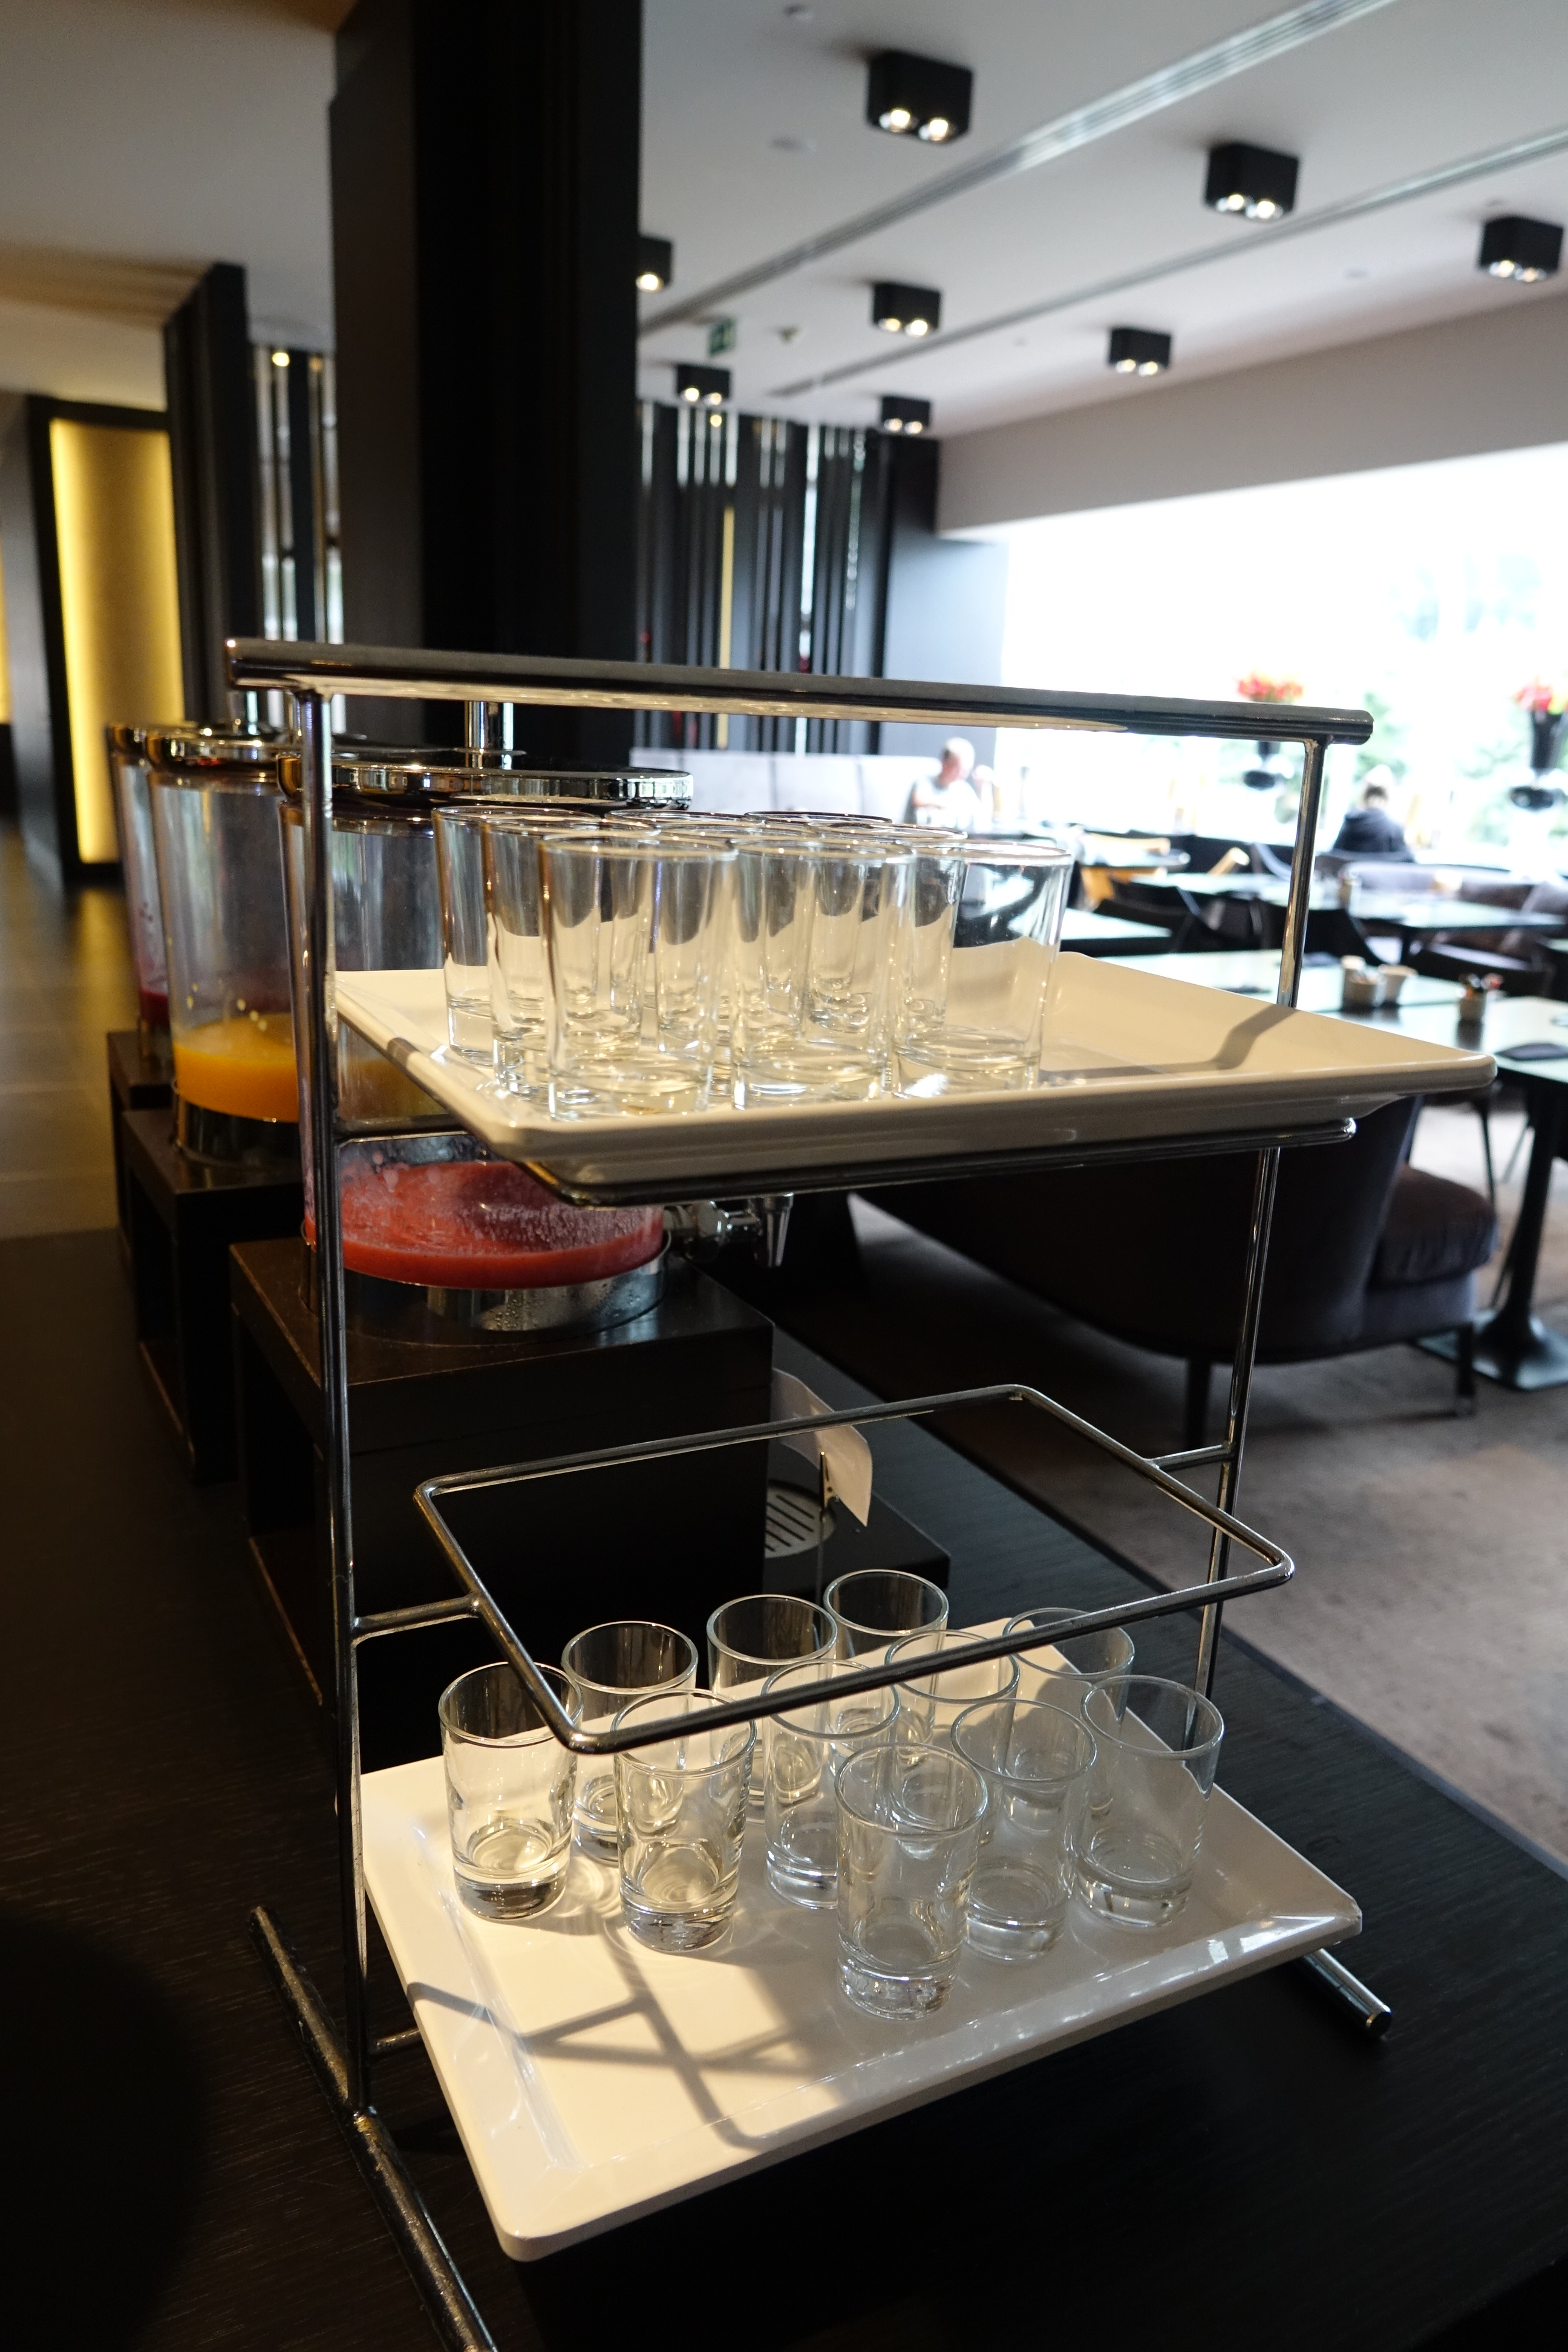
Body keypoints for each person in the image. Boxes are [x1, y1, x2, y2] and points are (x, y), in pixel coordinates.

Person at [906, 737, 982, 831]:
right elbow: (919, 800)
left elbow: (978, 810)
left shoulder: (964, 788)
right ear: (944, 762)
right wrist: (953, 804)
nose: (962, 774)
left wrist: (983, 787)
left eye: (966, 770)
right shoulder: (924, 781)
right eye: (958, 768)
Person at [1332, 774, 1413, 861]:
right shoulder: (1394, 828)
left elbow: (1333, 857)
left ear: (1364, 794)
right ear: (1388, 796)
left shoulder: (1350, 822)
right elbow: (1409, 860)